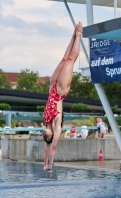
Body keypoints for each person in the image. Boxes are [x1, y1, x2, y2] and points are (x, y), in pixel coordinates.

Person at [43, 22, 83, 173]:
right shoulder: (56, 125)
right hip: (60, 91)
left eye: (44, 136)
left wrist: (44, 163)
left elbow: (45, 148)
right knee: (71, 61)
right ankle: (78, 35)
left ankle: (73, 35)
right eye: (46, 136)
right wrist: (51, 166)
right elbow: (52, 147)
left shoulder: (45, 120)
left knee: (64, 59)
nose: (44, 134)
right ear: (51, 134)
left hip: (52, 86)